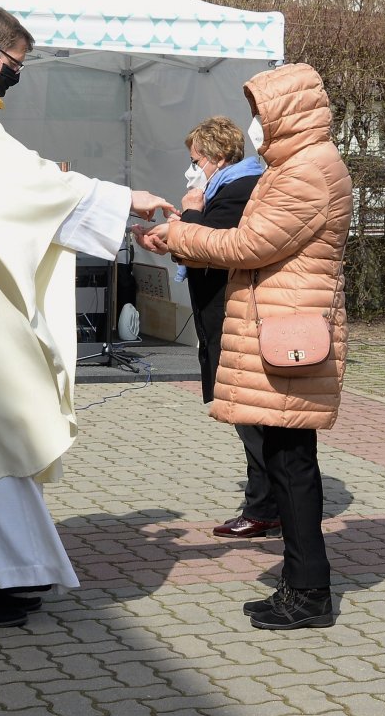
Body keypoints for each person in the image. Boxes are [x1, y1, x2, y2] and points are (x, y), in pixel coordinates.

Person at [0, 7, 175, 628]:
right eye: (16, 67)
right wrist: (119, 198)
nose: (14, 79)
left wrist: (90, 200)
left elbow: (20, 180)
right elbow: (19, 188)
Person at [143, 64, 353, 631]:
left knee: (292, 465)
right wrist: (183, 239)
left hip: (288, 332)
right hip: (280, 327)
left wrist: (181, 232)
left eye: (260, 112)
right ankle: (299, 582)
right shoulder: (294, 166)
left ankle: (310, 592)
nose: (254, 124)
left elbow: (253, 243)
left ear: (289, 111)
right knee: (287, 463)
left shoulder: (308, 170)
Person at [175, 116, 271, 538]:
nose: (191, 169)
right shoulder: (229, 187)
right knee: (245, 417)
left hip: (231, 319)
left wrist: (190, 214)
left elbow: (206, 247)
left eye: (195, 160)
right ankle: (267, 502)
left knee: (250, 418)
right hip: (222, 317)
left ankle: (265, 507)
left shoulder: (237, 191)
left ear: (215, 158)